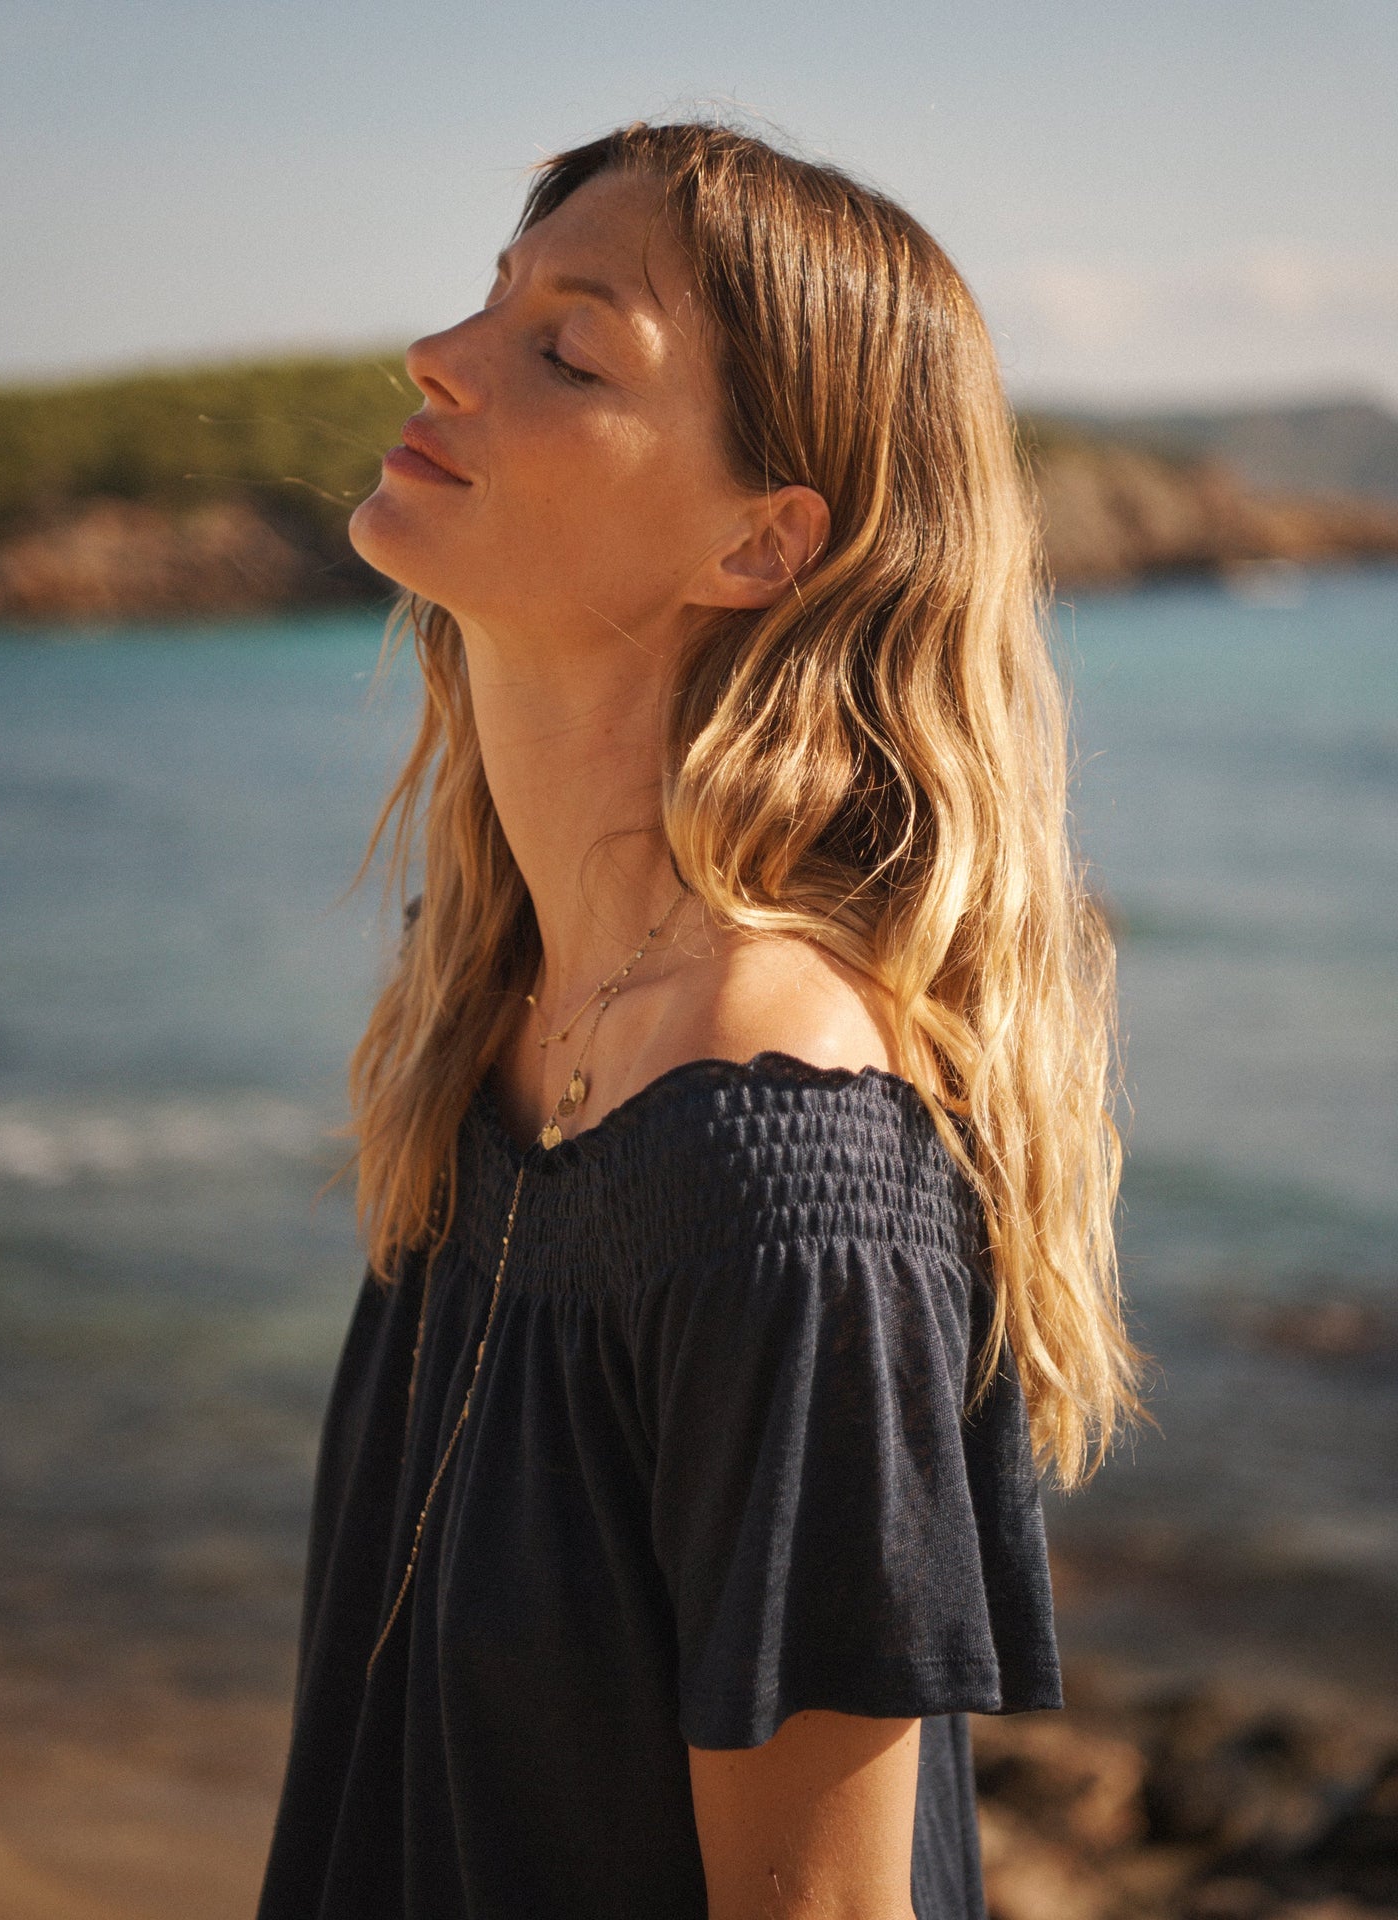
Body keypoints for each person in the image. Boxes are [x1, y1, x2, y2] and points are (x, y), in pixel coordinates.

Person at [255, 120, 1141, 1920]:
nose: (443, 356)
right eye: (494, 303)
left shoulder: (782, 1173)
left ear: (762, 540)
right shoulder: (497, 1007)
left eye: (567, 350)